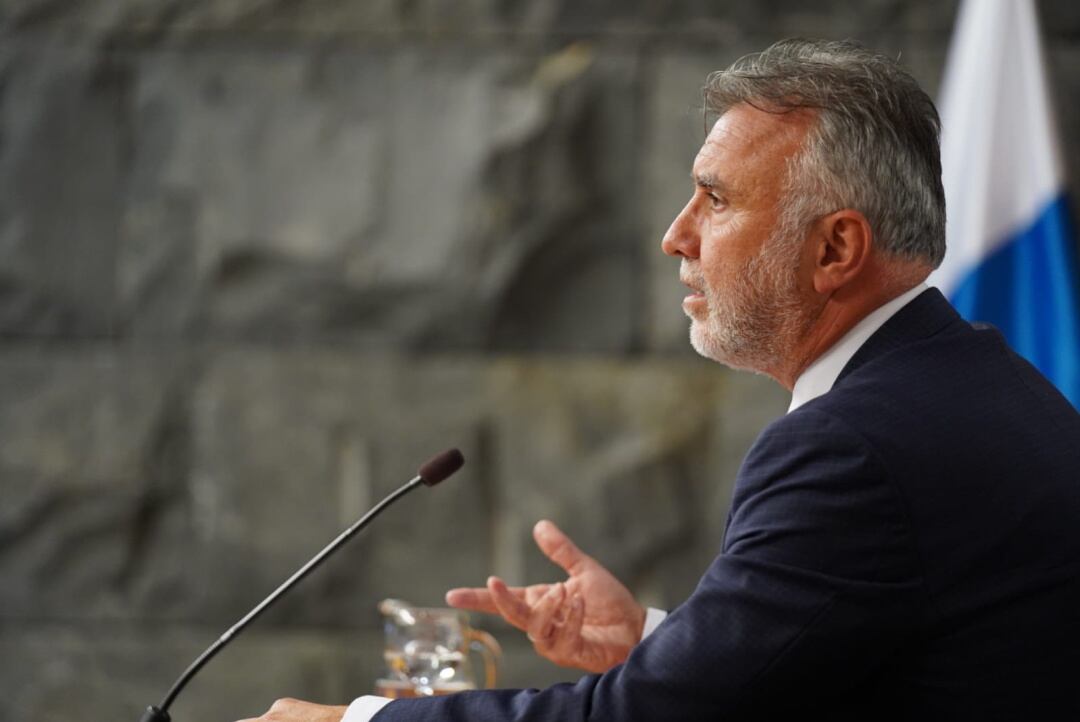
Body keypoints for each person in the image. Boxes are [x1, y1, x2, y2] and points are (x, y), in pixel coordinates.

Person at [239, 38, 1080, 722]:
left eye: (714, 201)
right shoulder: (986, 380)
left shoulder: (850, 449)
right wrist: (656, 639)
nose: (676, 237)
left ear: (834, 250)